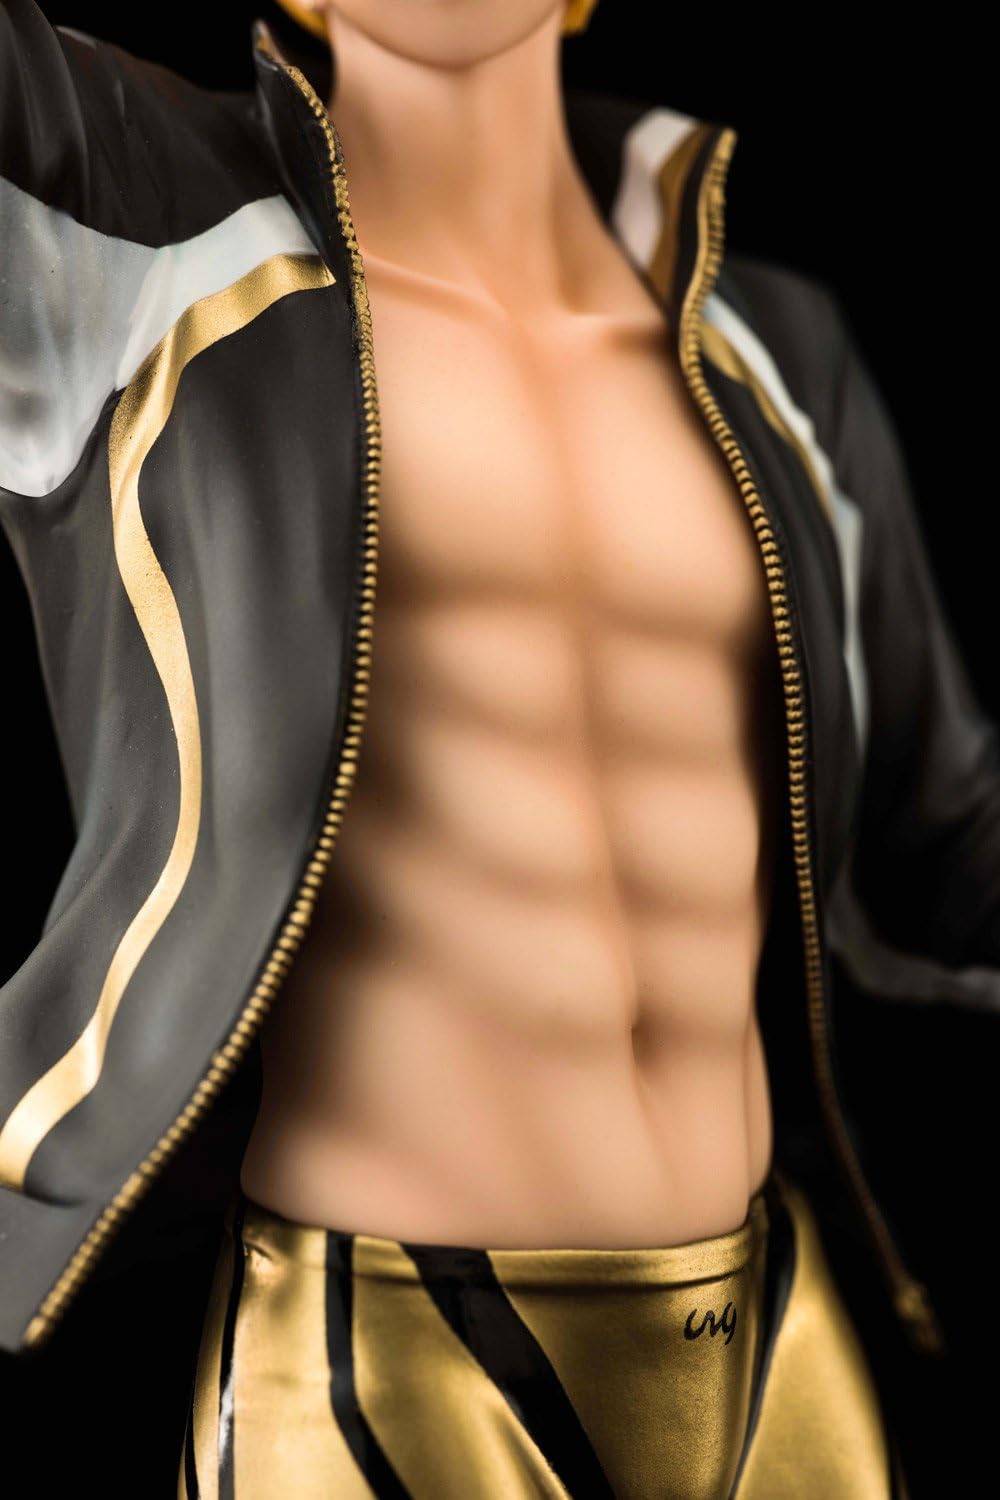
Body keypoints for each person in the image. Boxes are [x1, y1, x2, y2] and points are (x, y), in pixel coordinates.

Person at [0, 2, 990, 1494]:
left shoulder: (770, 346)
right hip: (378, 1370)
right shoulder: (132, 233)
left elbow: (946, 836)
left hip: (775, 1342)